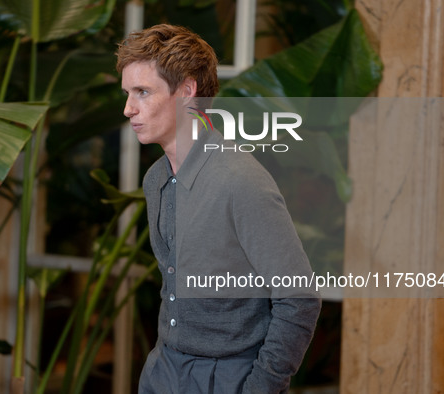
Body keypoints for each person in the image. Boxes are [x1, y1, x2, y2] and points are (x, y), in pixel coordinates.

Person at [116, 24, 321, 394]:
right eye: (128, 93)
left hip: (230, 378)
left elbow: (299, 297)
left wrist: (261, 386)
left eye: (142, 92)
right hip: (164, 370)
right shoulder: (154, 179)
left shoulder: (240, 182)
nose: (128, 108)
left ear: (187, 92)